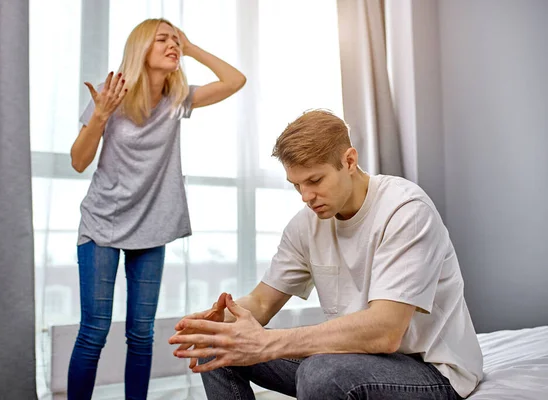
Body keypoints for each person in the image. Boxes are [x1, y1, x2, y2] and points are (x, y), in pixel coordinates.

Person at [169, 110, 483, 399]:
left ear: (349, 161)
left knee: (321, 373)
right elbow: (263, 302)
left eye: (315, 180)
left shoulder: (405, 211)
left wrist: (268, 344)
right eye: (296, 185)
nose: (306, 196)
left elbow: (386, 331)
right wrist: (215, 322)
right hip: (352, 357)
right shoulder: (305, 225)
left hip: (431, 371)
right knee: (219, 344)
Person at [67, 18, 246, 400]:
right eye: (162, 39)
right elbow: (78, 162)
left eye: (175, 40)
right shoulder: (110, 95)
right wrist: (99, 115)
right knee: (94, 330)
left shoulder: (176, 101)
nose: (172, 45)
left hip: (152, 226)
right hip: (102, 224)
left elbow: (235, 80)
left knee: (141, 332)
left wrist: (192, 47)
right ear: (141, 49)